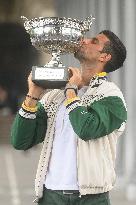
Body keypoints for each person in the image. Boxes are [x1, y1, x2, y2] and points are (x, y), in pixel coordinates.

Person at [11, 30, 127, 205]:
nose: (85, 40)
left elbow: (86, 129)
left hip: (91, 199)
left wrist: (72, 92)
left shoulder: (112, 97)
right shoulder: (55, 97)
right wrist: (33, 95)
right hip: (51, 196)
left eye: (94, 41)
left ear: (105, 57)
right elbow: (20, 141)